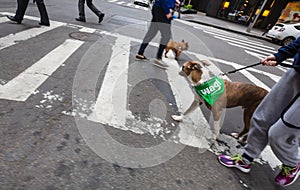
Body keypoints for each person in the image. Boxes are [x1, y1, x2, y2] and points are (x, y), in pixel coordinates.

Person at [218, 37, 300, 187]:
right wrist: (280, 55)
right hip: (296, 73)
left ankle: (292, 164)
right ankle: (246, 159)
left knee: (280, 133)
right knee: (263, 116)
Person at [135, 0, 180, 69]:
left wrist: (174, 3)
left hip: (158, 9)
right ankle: (158, 58)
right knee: (166, 36)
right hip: (162, 11)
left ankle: (140, 53)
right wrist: (167, 12)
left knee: (151, 33)